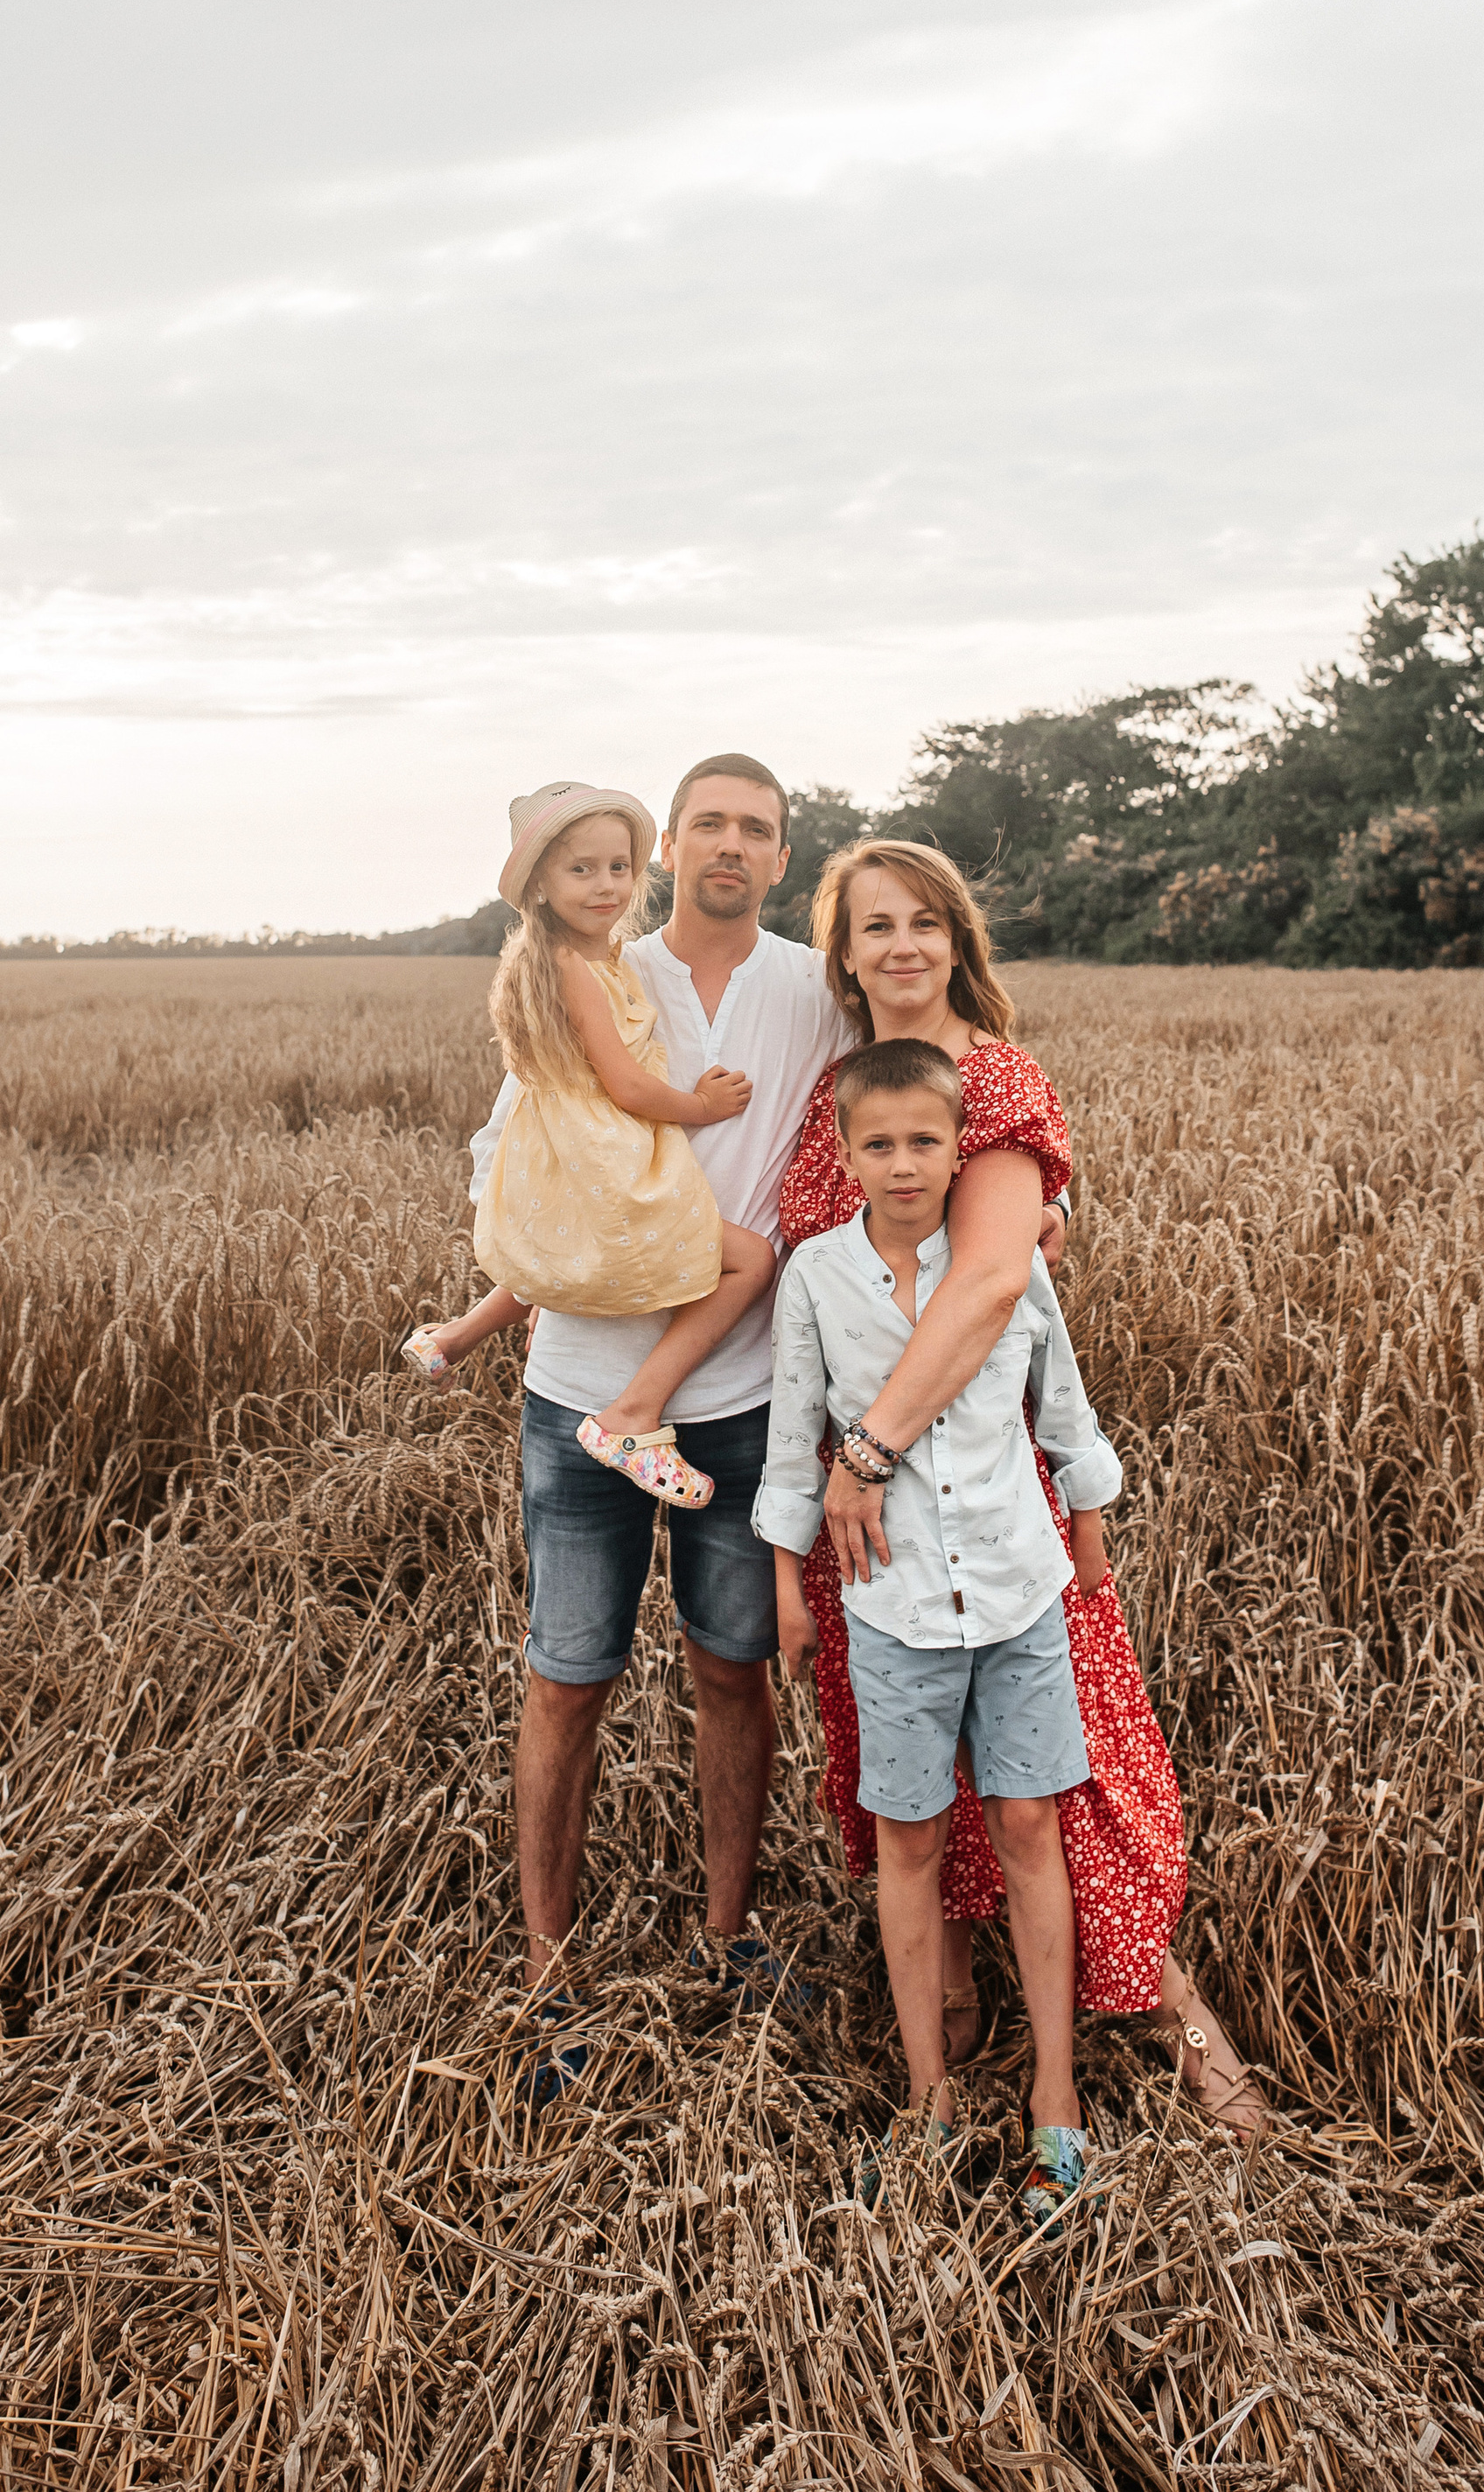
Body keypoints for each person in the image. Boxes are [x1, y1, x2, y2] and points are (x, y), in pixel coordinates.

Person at [779, 836, 1267, 2140]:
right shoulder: (842, 1099)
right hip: (864, 1530)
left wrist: (865, 1453)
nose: (900, 945)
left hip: (974, 1500)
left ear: (959, 941)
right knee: (912, 1785)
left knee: (1064, 1777)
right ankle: (956, 2022)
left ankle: (1178, 2022)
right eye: (873, 924)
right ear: (842, 953)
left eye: (925, 921)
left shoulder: (988, 1079)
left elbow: (996, 1285)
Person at [457, 757, 857, 2054]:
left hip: (741, 1401)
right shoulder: (607, 971)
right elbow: (506, 1143)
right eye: (711, 826)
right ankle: (548, 1970)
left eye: (760, 828)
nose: (733, 845)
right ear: (670, 846)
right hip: (577, 1389)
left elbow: (929, 1092)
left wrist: (1044, 1199)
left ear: (783, 857)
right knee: (570, 1677)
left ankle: (728, 1936)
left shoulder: (814, 986)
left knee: (732, 1671)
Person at [758, 1035, 1119, 2224]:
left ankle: (1054, 2107)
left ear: (961, 1146)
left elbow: (1061, 1406)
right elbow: (793, 1431)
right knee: (906, 1838)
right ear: (846, 1154)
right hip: (893, 1602)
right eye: (880, 1143)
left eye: (927, 1139)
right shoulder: (814, 1274)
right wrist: (785, 1582)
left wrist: (1092, 1552)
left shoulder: (1001, 1262)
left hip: (1019, 1587)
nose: (905, 1163)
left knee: (1028, 1821)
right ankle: (929, 2104)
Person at [403, 781, 778, 1509]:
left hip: (565, 1155)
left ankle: (450, 1339)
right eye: (581, 869)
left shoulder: (573, 959)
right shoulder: (574, 969)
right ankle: (632, 1415)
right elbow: (629, 1087)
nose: (605, 884)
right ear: (541, 882)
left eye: (617, 868)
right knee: (752, 1258)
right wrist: (702, 1105)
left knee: (567, 1252)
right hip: (607, 1152)